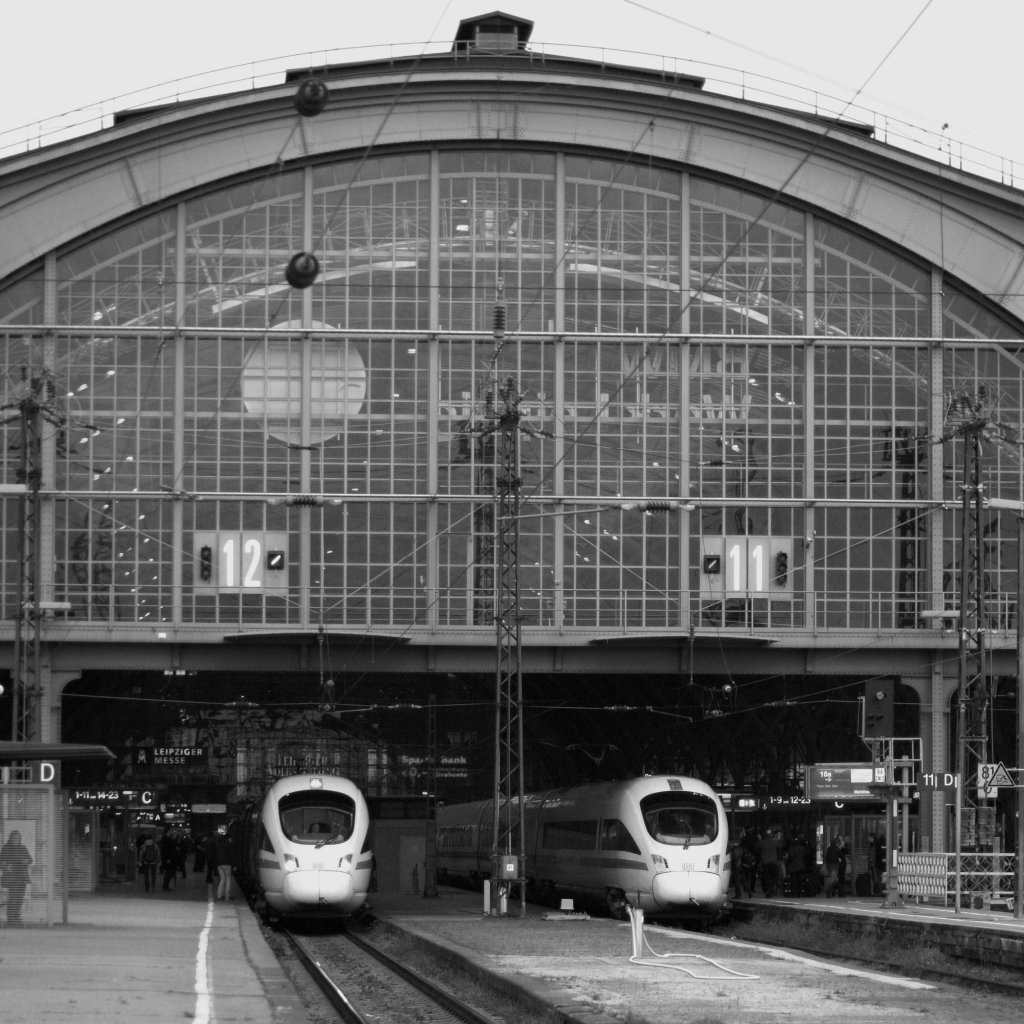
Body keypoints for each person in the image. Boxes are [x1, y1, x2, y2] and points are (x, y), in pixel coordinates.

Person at [0, 829, 33, 926]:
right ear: (10, 838)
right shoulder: (6, 848)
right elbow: (1, 862)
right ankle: (11, 919)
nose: (16, 839)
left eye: (17, 838)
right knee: (13, 898)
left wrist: (25, 861)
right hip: (11, 877)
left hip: (22, 877)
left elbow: (30, 860)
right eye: (14, 837)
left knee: (19, 898)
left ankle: (17, 917)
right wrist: (6, 866)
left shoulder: (23, 847)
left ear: (20, 839)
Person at [215, 826, 233, 901]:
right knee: (228, 879)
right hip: (227, 863)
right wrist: (233, 864)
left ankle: (219, 896)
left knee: (222, 880)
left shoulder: (218, 843)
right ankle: (227, 896)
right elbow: (230, 854)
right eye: (230, 839)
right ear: (228, 838)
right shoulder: (228, 844)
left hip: (219, 864)